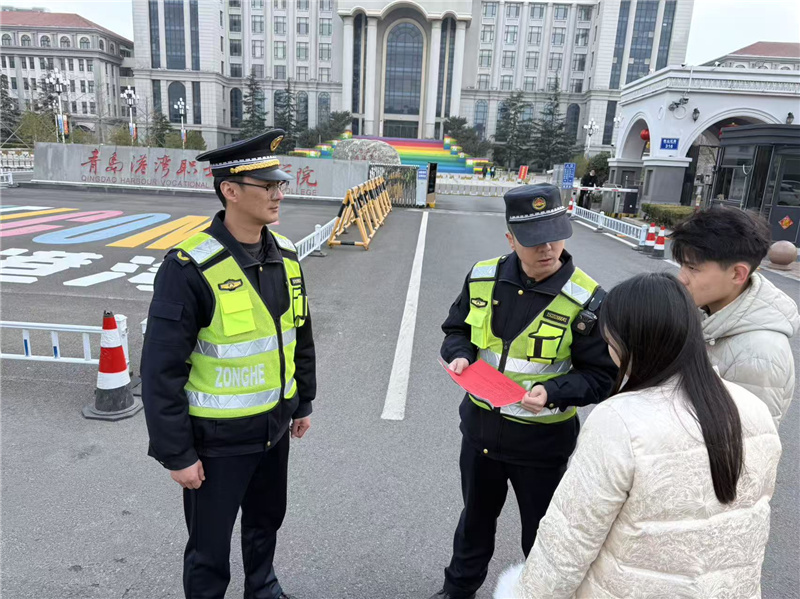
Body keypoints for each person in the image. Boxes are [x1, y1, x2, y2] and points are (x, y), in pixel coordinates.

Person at [494, 272, 782, 599]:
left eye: (609, 341)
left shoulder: (619, 421)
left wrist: (526, 593)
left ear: (629, 343)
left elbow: (571, 538)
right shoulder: (754, 410)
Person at [141, 129, 316, 599]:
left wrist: (302, 402)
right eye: (268, 186)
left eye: (280, 184)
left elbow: (299, 335)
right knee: (209, 548)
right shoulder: (188, 267)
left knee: (265, 522)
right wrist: (177, 453)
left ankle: (263, 588)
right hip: (217, 442)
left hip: (273, 429)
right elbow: (160, 368)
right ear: (230, 191)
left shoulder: (287, 256)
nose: (279, 194)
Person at [430, 183, 618, 599]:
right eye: (534, 239)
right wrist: (459, 354)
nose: (547, 248)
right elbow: (456, 330)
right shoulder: (483, 277)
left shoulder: (588, 300)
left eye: (555, 235)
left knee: (543, 534)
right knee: (474, 521)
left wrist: (552, 391)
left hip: (542, 442)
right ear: (511, 238)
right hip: (480, 431)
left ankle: (541, 593)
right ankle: (457, 590)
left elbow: (602, 376)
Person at [671, 207, 799, 428]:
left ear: (738, 274)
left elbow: (748, 440)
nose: (681, 278)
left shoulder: (759, 355)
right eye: (682, 265)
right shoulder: (704, 312)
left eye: (692, 267)